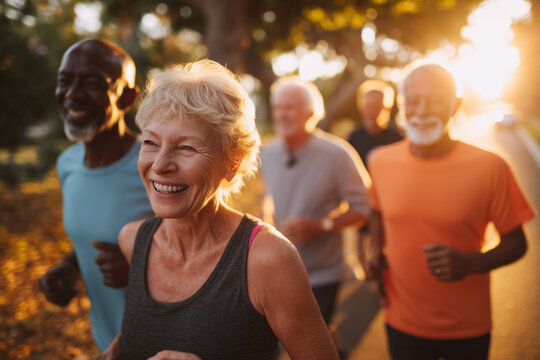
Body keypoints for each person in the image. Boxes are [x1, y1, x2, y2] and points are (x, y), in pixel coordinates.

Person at [97, 60, 339, 360]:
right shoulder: (133, 241)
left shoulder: (268, 260)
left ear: (233, 162)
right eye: (150, 142)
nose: (159, 165)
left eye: (187, 147)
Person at [365, 63, 535, 360]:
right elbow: (377, 211)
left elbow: (517, 242)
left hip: (467, 328)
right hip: (401, 321)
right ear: (401, 107)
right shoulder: (379, 161)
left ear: (455, 106)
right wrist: (375, 254)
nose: (421, 111)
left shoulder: (490, 166)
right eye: (413, 101)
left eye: (435, 100)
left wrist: (470, 263)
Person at [37, 38, 154, 351]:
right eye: (65, 81)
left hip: (166, 348)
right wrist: (69, 268)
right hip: (107, 344)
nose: (72, 94)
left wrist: (143, 266)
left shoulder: (157, 164)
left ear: (127, 97)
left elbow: (211, 250)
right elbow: (94, 236)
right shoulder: (68, 164)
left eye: (91, 83)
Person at [261, 76, 370, 329]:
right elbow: (267, 200)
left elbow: (363, 208)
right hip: (276, 272)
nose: (281, 114)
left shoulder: (338, 154)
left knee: (311, 343)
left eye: (289, 107)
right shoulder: (268, 153)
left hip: (322, 275)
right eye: (278, 108)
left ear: (310, 113)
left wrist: (320, 225)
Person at [347, 80, 402, 274]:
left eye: (377, 107)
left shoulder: (397, 138)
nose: (372, 112)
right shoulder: (354, 137)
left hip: (388, 198)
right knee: (361, 234)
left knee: (385, 236)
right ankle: (363, 268)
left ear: (387, 108)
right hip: (362, 197)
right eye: (367, 107)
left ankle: (383, 267)